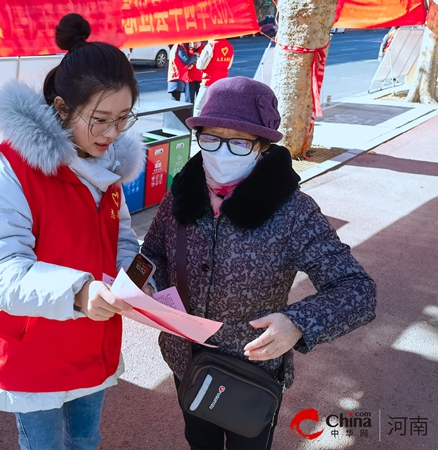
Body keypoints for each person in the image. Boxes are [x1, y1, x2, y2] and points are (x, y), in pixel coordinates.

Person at [141, 76, 377, 450]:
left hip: (250, 375)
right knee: (198, 440)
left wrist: (297, 323)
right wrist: (144, 282)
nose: (220, 152)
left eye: (238, 142)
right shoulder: (182, 194)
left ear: (262, 146)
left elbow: (359, 291)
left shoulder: (294, 212)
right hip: (184, 358)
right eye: (210, 138)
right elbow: (152, 251)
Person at [0, 13, 147, 450]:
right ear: (61, 108)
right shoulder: (10, 170)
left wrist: (135, 278)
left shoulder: (109, 165)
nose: (113, 133)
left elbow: (119, 238)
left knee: (86, 439)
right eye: (100, 119)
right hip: (33, 342)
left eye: (124, 118)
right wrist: (80, 292)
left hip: (89, 331)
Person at [193, 38, 234, 118]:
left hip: (209, 82)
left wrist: (198, 58)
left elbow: (200, 65)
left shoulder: (211, 45)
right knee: (218, 108)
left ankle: (196, 129)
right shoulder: (229, 46)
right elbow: (228, 66)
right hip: (222, 83)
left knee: (199, 107)